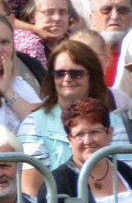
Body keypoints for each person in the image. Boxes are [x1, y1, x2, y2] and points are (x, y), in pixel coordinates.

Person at [18, 39, 127, 192]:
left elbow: (125, 177)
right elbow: (31, 191)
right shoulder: (33, 124)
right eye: (60, 73)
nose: (67, 79)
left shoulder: (114, 122)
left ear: (91, 76)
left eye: (76, 74)